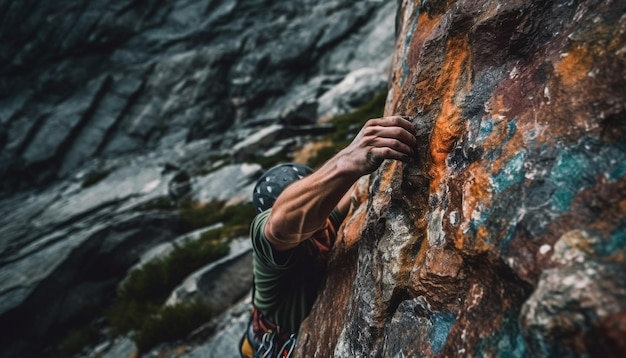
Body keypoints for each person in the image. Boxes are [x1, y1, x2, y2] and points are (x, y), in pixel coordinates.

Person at [240, 116, 417, 358]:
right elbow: (279, 227)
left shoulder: (322, 220)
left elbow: (349, 191)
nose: (321, 228)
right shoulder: (271, 264)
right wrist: (347, 160)